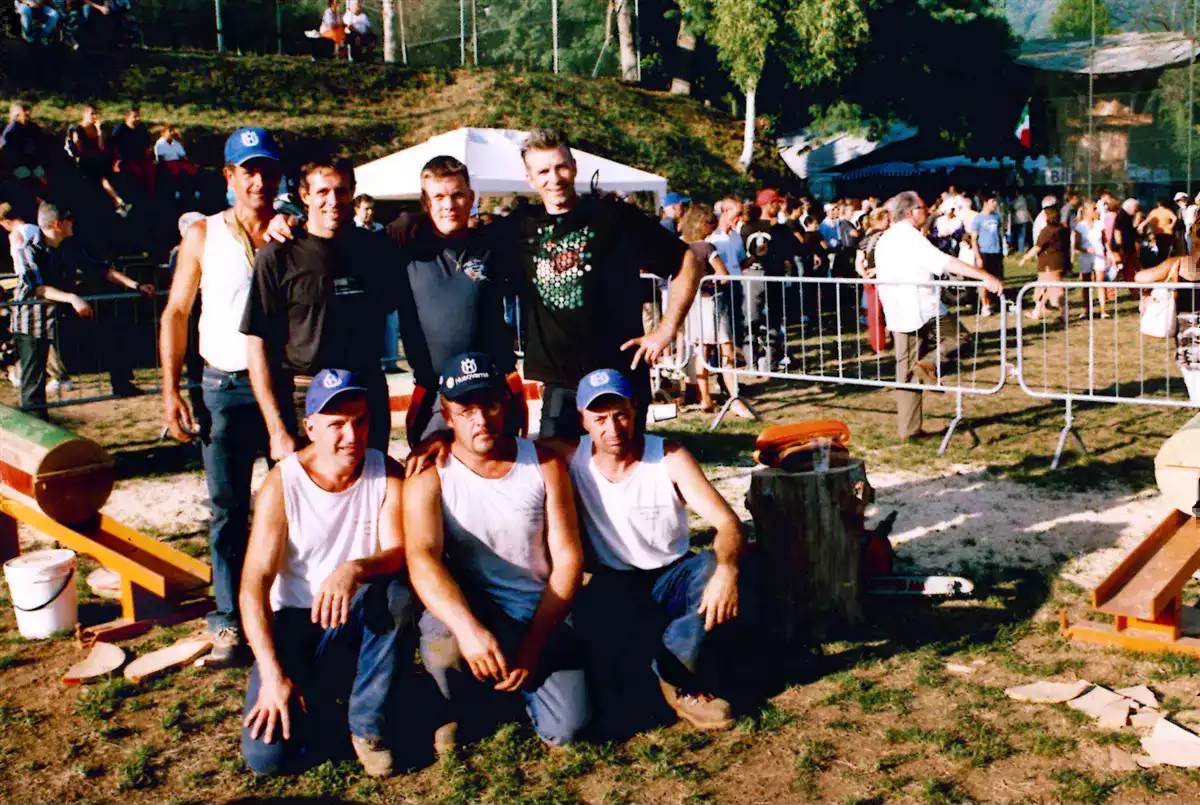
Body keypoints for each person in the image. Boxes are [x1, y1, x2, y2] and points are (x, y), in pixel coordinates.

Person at [544, 368, 754, 733]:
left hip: (673, 574)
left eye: (620, 414)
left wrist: (727, 571)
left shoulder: (668, 456)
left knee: (713, 568)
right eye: (599, 419)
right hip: (614, 581)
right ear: (583, 421)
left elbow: (728, 524)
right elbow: (500, 447)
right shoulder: (570, 455)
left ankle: (676, 672)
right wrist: (435, 443)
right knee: (595, 630)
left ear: (635, 408)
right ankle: (670, 670)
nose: (612, 428)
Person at [404, 352, 589, 749]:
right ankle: (463, 704)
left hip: (536, 610)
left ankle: (514, 685)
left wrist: (534, 645)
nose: (480, 420)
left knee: (568, 730)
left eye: (489, 405)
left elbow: (569, 561)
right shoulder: (429, 475)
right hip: (474, 608)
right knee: (443, 639)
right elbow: (421, 558)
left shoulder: (544, 464)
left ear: (506, 405)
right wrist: (468, 631)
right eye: (465, 410)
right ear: (447, 415)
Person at [239, 368, 413, 778]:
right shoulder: (283, 483)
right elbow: (253, 586)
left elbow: (400, 551)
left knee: (398, 593)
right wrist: (271, 674)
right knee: (267, 759)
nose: (351, 436)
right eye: (337, 425)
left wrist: (353, 568)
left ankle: (367, 726)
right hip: (296, 621)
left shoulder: (384, 471)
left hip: (355, 612)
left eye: (360, 421)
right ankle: (322, 698)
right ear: (311, 427)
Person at [160, 128, 284, 667]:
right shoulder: (204, 235)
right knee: (228, 509)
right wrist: (170, 388)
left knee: (292, 504)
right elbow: (177, 312)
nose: (259, 181)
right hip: (224, 386)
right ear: (229, 176)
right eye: (247, 170)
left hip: (283, 388)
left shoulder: (290, 232)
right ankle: (229, 621)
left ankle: (288, 609)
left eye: (267, 171)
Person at [497, 128, 702, 439]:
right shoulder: (518, 228)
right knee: (560, 476)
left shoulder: (616, 217)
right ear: (530, 179)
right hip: (560, 382)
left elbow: (688, 261)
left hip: (619, 371)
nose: (554, 178)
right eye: (543, 171)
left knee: (625, 471)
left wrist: (666, 329)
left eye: (561, 166)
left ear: (574, 166)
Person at [242, 158, 397, 459]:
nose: (333, 201)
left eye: (341, 191)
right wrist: (276, 429)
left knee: (371, 496)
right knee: (307, 500)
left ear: (353, 192)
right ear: (304, 196)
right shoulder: (278, 254)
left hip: (365, 390)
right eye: (322, 191)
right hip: (304, 395)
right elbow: (256, 343)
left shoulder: (375, 248)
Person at [390, 156, 519, 447]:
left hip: (490, 388)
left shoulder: (493, 244)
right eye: (438, 197)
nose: (448, 205)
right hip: (435, 393)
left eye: (457, 195)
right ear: (425, 202)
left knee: (499, 476)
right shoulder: (404, 247)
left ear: (471, 197)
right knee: (432, 476)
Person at [874, 191, 1003, 441]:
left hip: (898, 308)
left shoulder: (887, 237)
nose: (928, 212)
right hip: (920, 307)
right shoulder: (909, 237)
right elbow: (945, 262)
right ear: (913, 212)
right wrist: (983, 276)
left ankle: (909, 429)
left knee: (905, 371)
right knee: (961, 337)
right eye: (923, 207)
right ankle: (930, 364)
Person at [679, 204, 751, 418]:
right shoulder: (707, 248)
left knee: (702, 351)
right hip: (712, 302)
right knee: (726, 350)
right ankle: (735, 399)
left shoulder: (682, 245)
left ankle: (705, 398)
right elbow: (724, 275)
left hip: (693, 304)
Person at [740, 188, 799, 370]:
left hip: (774, 275)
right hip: (754, 276)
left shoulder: (781, 228)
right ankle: (753, 362)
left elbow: (792, 251)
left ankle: (771, 363)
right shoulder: (748, 227)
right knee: (752, 319)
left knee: (773, 319)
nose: (780, 206)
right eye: (777, 202)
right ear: (768, 204)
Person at [65, 104, 130, 216]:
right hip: (82, 161)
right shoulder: (76, 129)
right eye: (92, 114)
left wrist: (99, 132)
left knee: (106, 177)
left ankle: (119, 202)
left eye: (96, 114)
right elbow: (78, 151)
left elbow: (101, 148)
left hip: (96, 158)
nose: (95, 117)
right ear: (84, 114)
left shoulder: (95, 128)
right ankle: (118, 202)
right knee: (101, 178)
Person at [1019, 205, 1070, 320]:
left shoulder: (1047, 231)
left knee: (1056, 291)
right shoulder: (1063, 229)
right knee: (1041, 289)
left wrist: (1025, 258)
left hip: (1048, 265)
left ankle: (1064, 315)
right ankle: (1037, 312)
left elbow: (1037, 247)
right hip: (1058, 262)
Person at [968, 194, 1005, 316]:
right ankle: (985, 305)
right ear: (986, 203)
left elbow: (999, 234)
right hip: (984, 252)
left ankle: (999, 302)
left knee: (998, 278)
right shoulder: (978, 219)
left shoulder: (997, 217)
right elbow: (974, 239)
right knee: (984, 279)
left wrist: (1002, 249)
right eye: (993, 201)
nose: (995, 204)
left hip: (996, 252)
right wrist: (978, 256)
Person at [110, 106, 155, 200]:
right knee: (136, 173)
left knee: (151, 171)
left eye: (138, 116)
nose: (137, 119)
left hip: (140, 158)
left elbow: (147, 144)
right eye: (134, 117)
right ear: (127, 117)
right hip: (125, 159)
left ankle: (151, 197)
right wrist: (118, 160)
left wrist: (147, 155)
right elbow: (114, 147)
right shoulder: (120, 130)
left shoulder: (141, 128)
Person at [1, 102, 48, 187]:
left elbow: (39, 143)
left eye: (28, 115)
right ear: (17, 115)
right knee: (26, 179)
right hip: (17, 164)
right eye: (24, 115)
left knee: (43, 177)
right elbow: (8, 153)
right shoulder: (10, 132)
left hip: (33, 162)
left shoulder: (32, 127)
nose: (27, 117)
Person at [154, 124, 201, 200]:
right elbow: (160, 158)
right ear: (163, 133)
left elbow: (183, 155)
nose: (171, 133)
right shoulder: (160, 144)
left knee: (193, 170)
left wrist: (189, 163)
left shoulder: (176, 143)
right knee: (176, 173)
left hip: (178, 162)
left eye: (172, 131)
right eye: (169, 131)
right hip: (167, 162)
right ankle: (176, 191)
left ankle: (196, 190)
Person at [1140, 198, 1179, 263]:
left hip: (1158, 232)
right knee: (1166, 249)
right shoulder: (1167, 211)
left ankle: (1161, 262)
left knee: (1160, 249)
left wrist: (1141, 226)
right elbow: (1175, 218)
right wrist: (1171, 225)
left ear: (1158, 204)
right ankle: (1164, 261)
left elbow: (1147, 220)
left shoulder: (1154, 212)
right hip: (1167, 232)